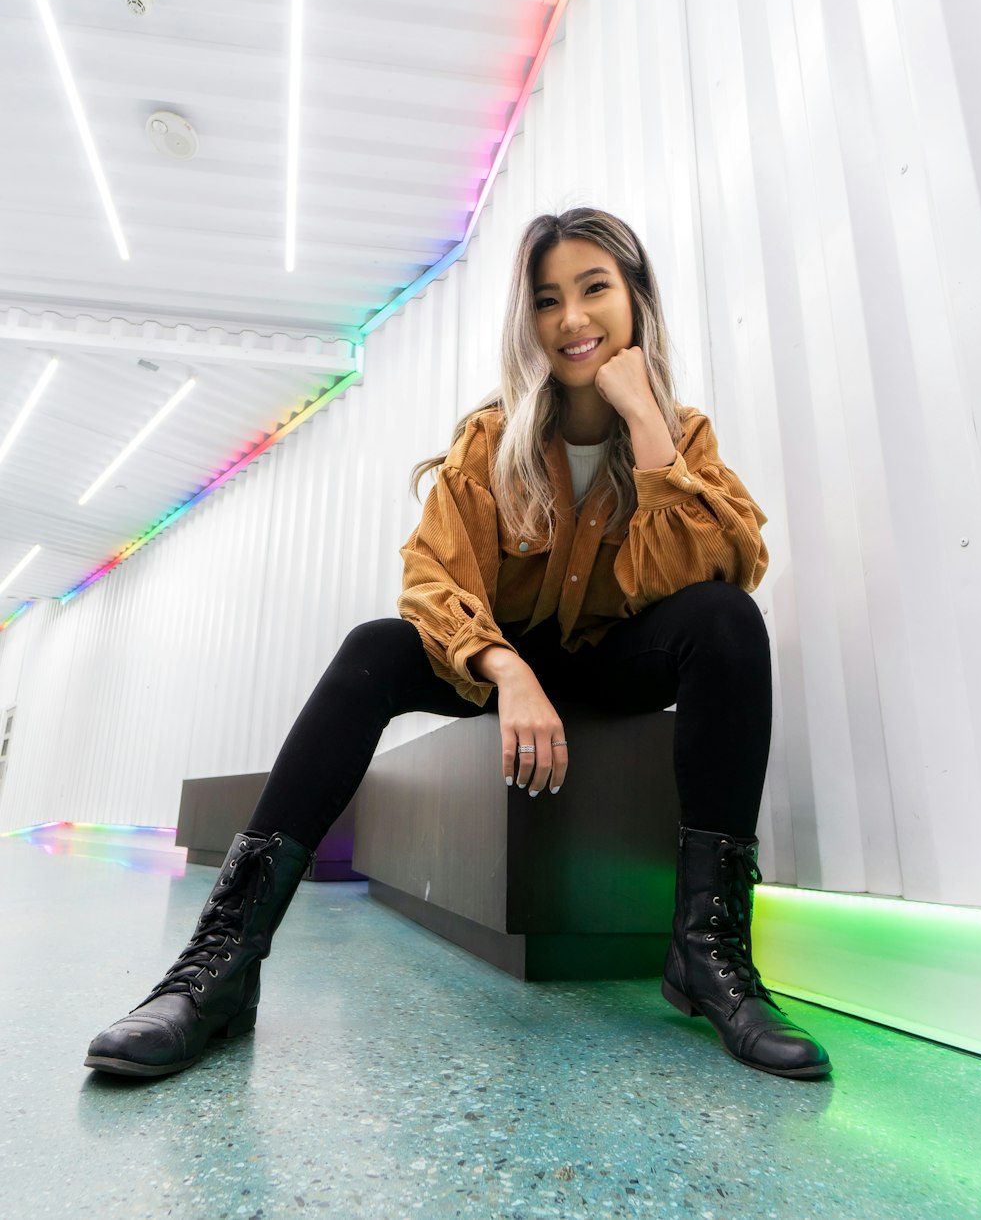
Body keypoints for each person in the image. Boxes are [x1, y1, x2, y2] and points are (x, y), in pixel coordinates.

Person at [85, 207, 830, 1081]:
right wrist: (505, 667)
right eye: (548, 300)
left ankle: (710, 956)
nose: (572, 321)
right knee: (374, 647)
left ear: (636, 300)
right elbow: (432, 581)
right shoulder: (494, 438)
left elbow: (723, 566)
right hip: (506, 663)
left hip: (616, 661)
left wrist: (647, 427)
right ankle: (218, 967)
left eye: (595, 290)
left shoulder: (682, 434)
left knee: (727, 622)